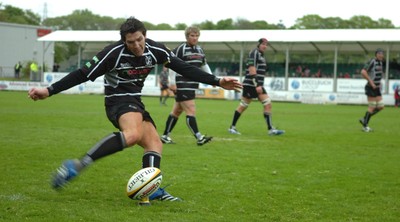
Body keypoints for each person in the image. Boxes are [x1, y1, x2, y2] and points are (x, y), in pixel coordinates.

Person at [28, 17, 241, 206]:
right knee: (133, 135)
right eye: (131, 42)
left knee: (154, 143)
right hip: (117, 101)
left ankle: (150, 189)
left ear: (145, 36)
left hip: (135, 101)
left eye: (140, 39)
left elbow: (183, 67)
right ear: (124, 41)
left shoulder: (155, 50)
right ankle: (78, 164)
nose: (137, 45)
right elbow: (82, 74)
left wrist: (218, 81)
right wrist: (49, 90)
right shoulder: (112, 53)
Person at [160, 26, 214, 146]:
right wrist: (172, 83)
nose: (195, 38)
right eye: (192, 36)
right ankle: (199, 137)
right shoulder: (180, 49)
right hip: (182, 84)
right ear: (187, 36)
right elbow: (171, 65)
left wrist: (213, 79)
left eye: (196, 36)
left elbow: (204, 65)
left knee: (176, 111)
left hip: (192, 85)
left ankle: (164, 136)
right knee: (191, 109)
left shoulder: (200, 50)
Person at [228, 38, 285, 136]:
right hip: (251, 85)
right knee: (245, 106)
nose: (265, 46)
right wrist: (257, 84)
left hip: (256, 85)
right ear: (258, 45)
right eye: (263, 44)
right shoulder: (254, 53)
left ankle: (270, 129)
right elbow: (251, 70)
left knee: (265, 104)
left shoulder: (261, 55)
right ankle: (232, 128)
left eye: (266, 45)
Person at [359, 48, 385, 132]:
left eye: (382, 53)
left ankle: (364, 119)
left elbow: (377, 74)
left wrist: (379, 83)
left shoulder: (381, 62)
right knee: (372, 106)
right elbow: (363, 72)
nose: (381, 55)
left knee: (381, 106)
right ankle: (365, 126)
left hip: (377, 88)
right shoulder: (372, 61)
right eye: (379, 53)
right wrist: (371, 82)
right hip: (370, 87)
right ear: (376, 54)